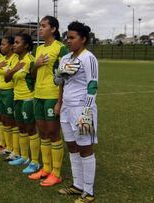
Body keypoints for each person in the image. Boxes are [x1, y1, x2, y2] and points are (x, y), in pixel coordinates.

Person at [56, 21, 98, 203]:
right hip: (66, 109)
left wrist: (86, 112)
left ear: (83, 39)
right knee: (72, 146)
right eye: (67, 37)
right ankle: (77, 185)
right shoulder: (65, 58)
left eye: (72, 38)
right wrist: (60, 73)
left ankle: (88, 192)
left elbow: (93, 85)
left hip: (83, 109)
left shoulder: (89, 58)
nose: (68, 40)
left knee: (85, 148)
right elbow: (58, 82)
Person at [28, 16, 68, 185]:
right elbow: (32, 75)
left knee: (53, 133)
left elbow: (65, 78)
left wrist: (60, 101)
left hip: (52, 96)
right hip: (38, 95)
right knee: (42, 133)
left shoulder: (61, 49)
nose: (40, 29)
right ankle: (45, 169)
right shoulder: (38, 49)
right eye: (40, 26)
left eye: (43, 26)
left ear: (53, 29)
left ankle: (56, 173)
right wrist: (35, 65)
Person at [5, 34, 36, 168]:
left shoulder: (30, 60)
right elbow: (6, 78)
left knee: (31, 129)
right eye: (14, 42)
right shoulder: (14, 60)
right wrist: (13, 69)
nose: (14, 45)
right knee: (21, 128)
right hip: (16, 97)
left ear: (26, 46)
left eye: (17, 43)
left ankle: (35, 162)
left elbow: (36, 79)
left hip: (28, 98)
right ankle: (24, 157)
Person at [0, 36, 20, 158]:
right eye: (1, 44)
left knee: (12, 121)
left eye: (3, 44)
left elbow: (13, 76)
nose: (1, 47)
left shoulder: (15, 58)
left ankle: (15, 149)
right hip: (1, 92)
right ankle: (8, 147)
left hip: (10, 92)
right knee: (4, 120)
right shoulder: (1, 59)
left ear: (10, 45)